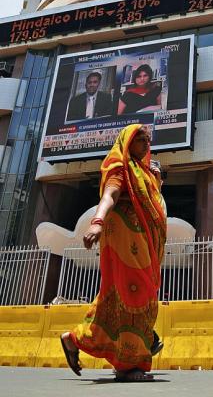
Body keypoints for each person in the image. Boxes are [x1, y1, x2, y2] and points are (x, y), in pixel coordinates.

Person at [60, 124, 167, 382]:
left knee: (120, 298)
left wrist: (156, 181)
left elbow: (151, 204)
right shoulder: (120, 166)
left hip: (141, 240)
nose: (146, 144)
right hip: (124, 237)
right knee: (135, 294)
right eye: (140, 140)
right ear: (127, 143)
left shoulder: (143, 171)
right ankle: (128, 365)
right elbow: (110, 194)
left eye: (147, 140)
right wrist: (96, 223)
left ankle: (75, 339)